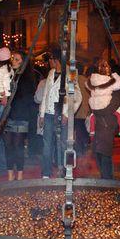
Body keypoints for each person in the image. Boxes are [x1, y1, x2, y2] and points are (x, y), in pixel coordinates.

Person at [37, 49, 83, 179]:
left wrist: (67, 113)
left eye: (51, 59)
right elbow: (46, 94)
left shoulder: (71, 73)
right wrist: (42, 114)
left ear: (56, 59)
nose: (49, 62)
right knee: (47, 145)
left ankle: (64, 172)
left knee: (64, 144)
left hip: (62, 113)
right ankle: (46, 173)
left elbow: (77, 96)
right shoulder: (51, 73)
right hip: (49, 114)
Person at [4, 51, 36, 181]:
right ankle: (10, 174)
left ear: (24, 62)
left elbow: (26, 97)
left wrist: (11, 94)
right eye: (13, 59)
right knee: (8, 146)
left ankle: (20, 174)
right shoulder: (9, 75)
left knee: (18, 146)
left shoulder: (27, 78)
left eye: (17, 59)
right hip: (8, 115)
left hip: (21, 116)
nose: (14, 61)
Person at [85, 59, 120, 139]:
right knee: (119, 112)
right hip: (104, 103)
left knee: (93, 115)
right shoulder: (109, 81)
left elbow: (86, 84)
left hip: (94, 105)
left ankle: (92, 130)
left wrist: (90, 76)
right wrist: (115, 75)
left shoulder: (92, 80)